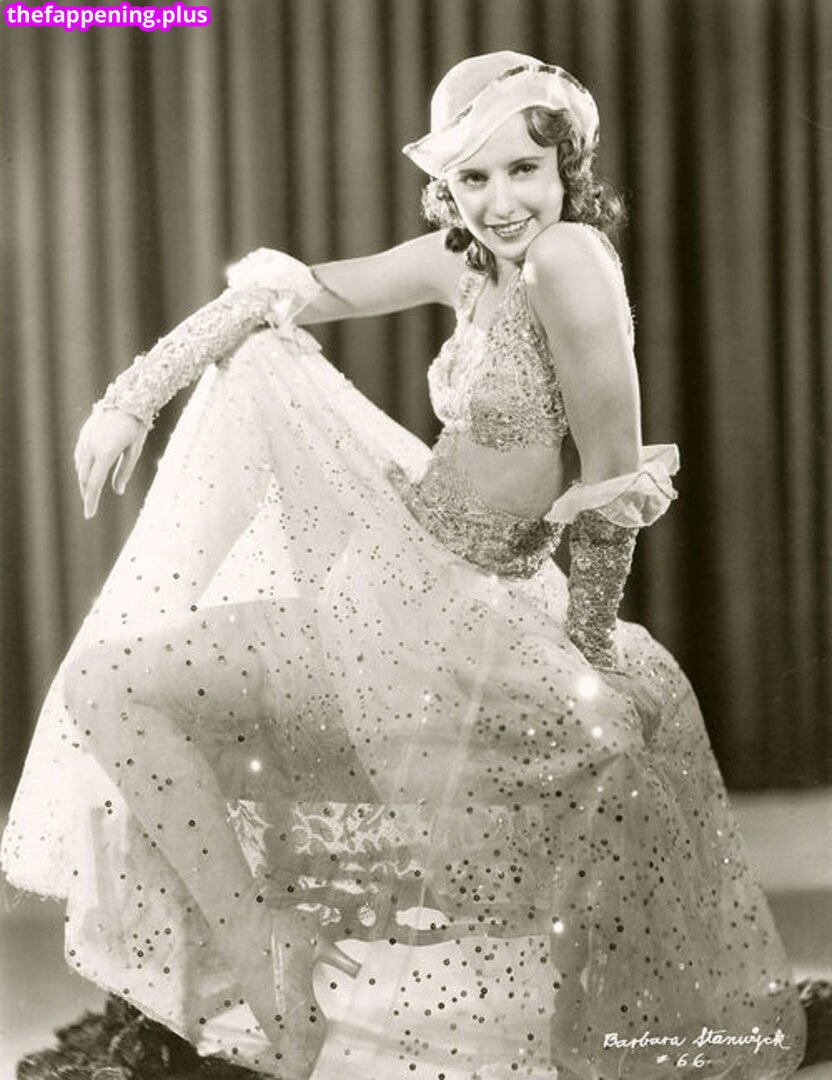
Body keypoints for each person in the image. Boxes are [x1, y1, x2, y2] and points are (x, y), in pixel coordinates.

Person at [2, 52, 808, 1080]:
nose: (501, 202)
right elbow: (286, 294)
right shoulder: (460, 258)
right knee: (109, 683)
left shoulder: (569, 258)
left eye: (524, 169)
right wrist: (131, 397)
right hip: (379, 593)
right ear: (445, 184)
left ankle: (281, 962)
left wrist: (591, 647)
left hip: (482, 626)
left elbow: (613, 476)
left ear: (567, 166)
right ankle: (265, 950)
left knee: (127, 688)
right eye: (473, 177)